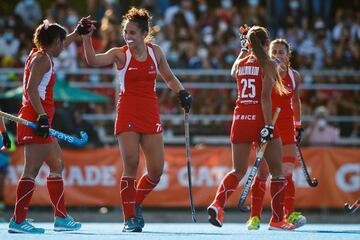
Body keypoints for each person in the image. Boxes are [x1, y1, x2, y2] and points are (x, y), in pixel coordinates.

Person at [82, 7, 192, 232]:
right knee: (131, 163)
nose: (128, 36)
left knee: (156, 171)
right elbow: (93, 60)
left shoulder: (156, 52)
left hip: (150, 112)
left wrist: (182, 92)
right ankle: (129, 218)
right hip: (127, 112)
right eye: (126, 32)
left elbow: (169, 77)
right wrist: (86, 38)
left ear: (144, 33)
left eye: (132, 32)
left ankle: (135, 202)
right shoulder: (119, 53)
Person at [8, 18, 92, 234]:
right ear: (53, 42)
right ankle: (18, 220)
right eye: (61, 43)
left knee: (57, 164)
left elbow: (60, 45)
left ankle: (61, 217)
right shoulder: (43, 60)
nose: (62, 47)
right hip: (36, 120)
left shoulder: (40, 54)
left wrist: (76, 32)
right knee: (31, 171)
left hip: (40, 119)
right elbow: (31, 89)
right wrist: (43, 117)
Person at [207, 25, 295, 230]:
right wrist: (267, 127)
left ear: (248, 44)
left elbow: (232, 70)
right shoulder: (269, 65)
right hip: (259, 119)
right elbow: (265, 98)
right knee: (277, 172)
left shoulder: (241, 63)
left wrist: (243, 48)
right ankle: (277, 219)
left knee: (237, 170)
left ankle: (217, 204)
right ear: (266, 44)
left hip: (239, 119)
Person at [246, 38, 306, 230]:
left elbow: (295, 101)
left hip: (287, 126)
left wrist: (298, 125)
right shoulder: (265, 72)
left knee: (286, 173)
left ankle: (286, 214)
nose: (277, 55)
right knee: (263, 172)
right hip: (268, 125)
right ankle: (254, 216)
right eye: (274, 52)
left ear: (287, 55)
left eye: (281, 52)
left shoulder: (294, 75)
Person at [0, 117, 15, 222]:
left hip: (2, 165)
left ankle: (0, 215)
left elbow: (10, 150)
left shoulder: (7, 134)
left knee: (0, 190)